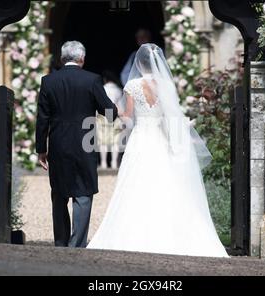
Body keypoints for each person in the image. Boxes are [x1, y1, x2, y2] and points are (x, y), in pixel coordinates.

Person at [87, 44, 229, 258]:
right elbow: (170, 117)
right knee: (166, 183)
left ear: (139, 63)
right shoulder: (166, 85)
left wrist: (114, 115)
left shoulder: (132, 85)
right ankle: (169, 232)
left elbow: (127, 116)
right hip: (160, 140)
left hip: (140, 139)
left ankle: (136, 232)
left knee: (136, 183)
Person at [36, 41, 118, 248]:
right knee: (83, 192)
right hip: (85, 141)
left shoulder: (48, 81)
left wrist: (41, 150)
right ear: (82, 58)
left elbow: (42, 118)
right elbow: (108, 112)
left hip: (58, 143)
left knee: (59, 193)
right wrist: (112, 113)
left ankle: (61, 242)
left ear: (62, 58)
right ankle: (77, 244)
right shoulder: (91, 80)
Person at [97, 70, 124, 169]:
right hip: (115, 116)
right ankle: (113, 163)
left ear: (105, 79)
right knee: (115, 142)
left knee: (102, 141)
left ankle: (103, 163)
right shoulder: (118, 90)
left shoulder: (102, 89)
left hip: (103, 116)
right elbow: (121, 106)